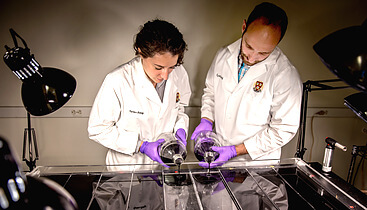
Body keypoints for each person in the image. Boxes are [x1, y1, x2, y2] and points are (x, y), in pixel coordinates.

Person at [191, 2, 302, 167]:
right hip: (218, 154)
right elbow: (211, 92)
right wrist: (206, 119)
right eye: (249, 46)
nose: (252, 57)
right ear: (244, 27)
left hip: (255, 164)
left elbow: (283, 130)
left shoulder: (285, 75)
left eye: (264, 53)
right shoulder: (223, 56)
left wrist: (236, 150)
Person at [88, 19, 191, 170]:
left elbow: (179, 109)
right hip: (127, 168)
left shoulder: (179, 73)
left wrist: (181, 130)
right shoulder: (118, 80)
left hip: (163, 165)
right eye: (158, 67)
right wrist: (140, 146)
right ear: (141, 52)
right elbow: (98, 129)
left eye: (171, 67)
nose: (166, 75)